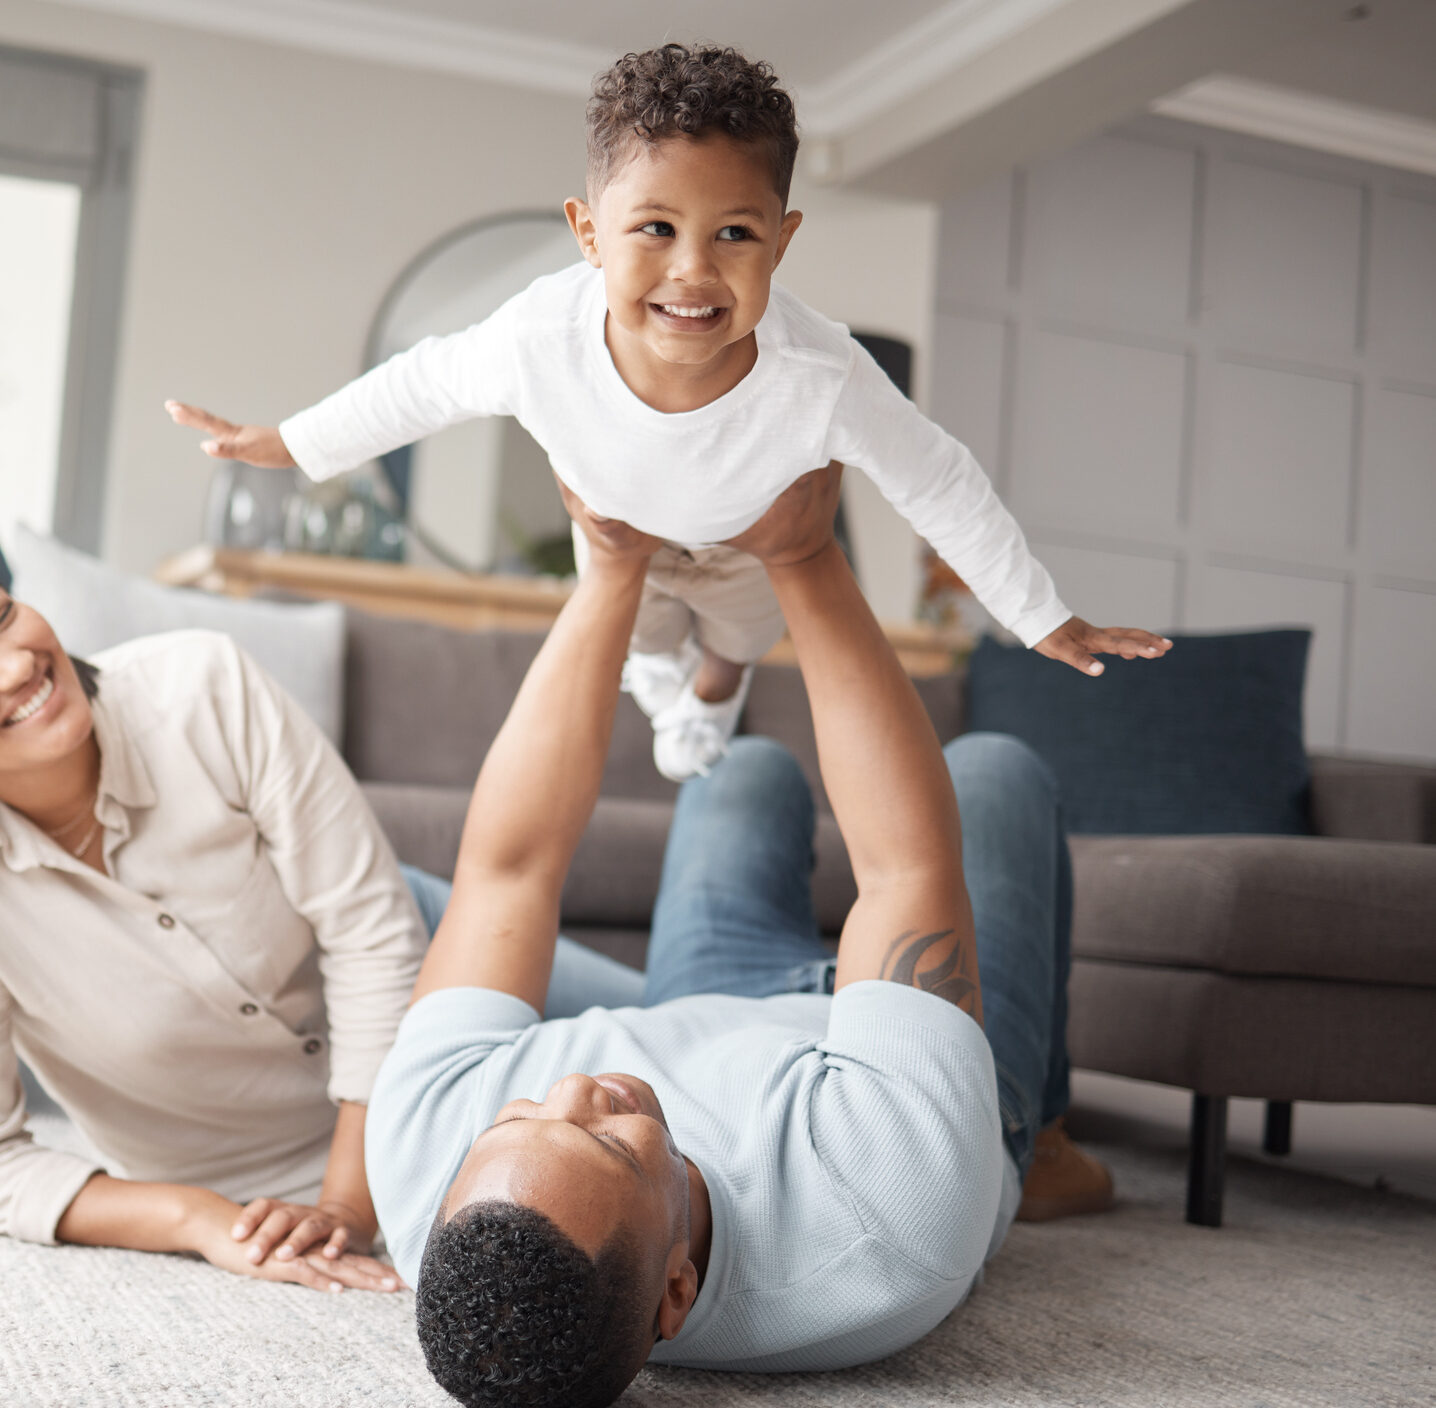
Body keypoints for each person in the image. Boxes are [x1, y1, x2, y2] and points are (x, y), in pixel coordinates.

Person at [167, 42, 1170, 783]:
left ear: (780, 242)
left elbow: (934, 478)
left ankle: (713, 691)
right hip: (614, 527)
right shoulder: (535, 339)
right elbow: (420, 383)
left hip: (743, 544)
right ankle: (667, 694)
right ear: (587, 233)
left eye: (733, 232)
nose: (692, 270)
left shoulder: (819, 375)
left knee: (735, 633)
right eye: (653, 228)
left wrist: (1039, 614)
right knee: (642, 637)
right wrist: (291, 443)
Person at [363, 466, 1113, 1407]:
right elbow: (904, 870)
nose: (573, 1090)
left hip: (711, 1002)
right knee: (994, 771)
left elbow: (508, 872)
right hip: (914, 1092)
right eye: (614, 1140)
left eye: (520, 1115)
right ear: (676, 1288)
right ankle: (1039, 1128)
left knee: (741, 769)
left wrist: (610, 565)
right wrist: (802, 552)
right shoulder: (891, 1213)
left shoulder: (426, 1164)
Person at [0, 541, 641, 1295]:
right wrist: (197, 1220)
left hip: (425, 957)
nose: (14, 662)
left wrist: (349, 1201)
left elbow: (373, 937)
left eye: (2, 615)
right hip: (349, 1117)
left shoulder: (202, 685)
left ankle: (739, 796)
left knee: (710, 1021)